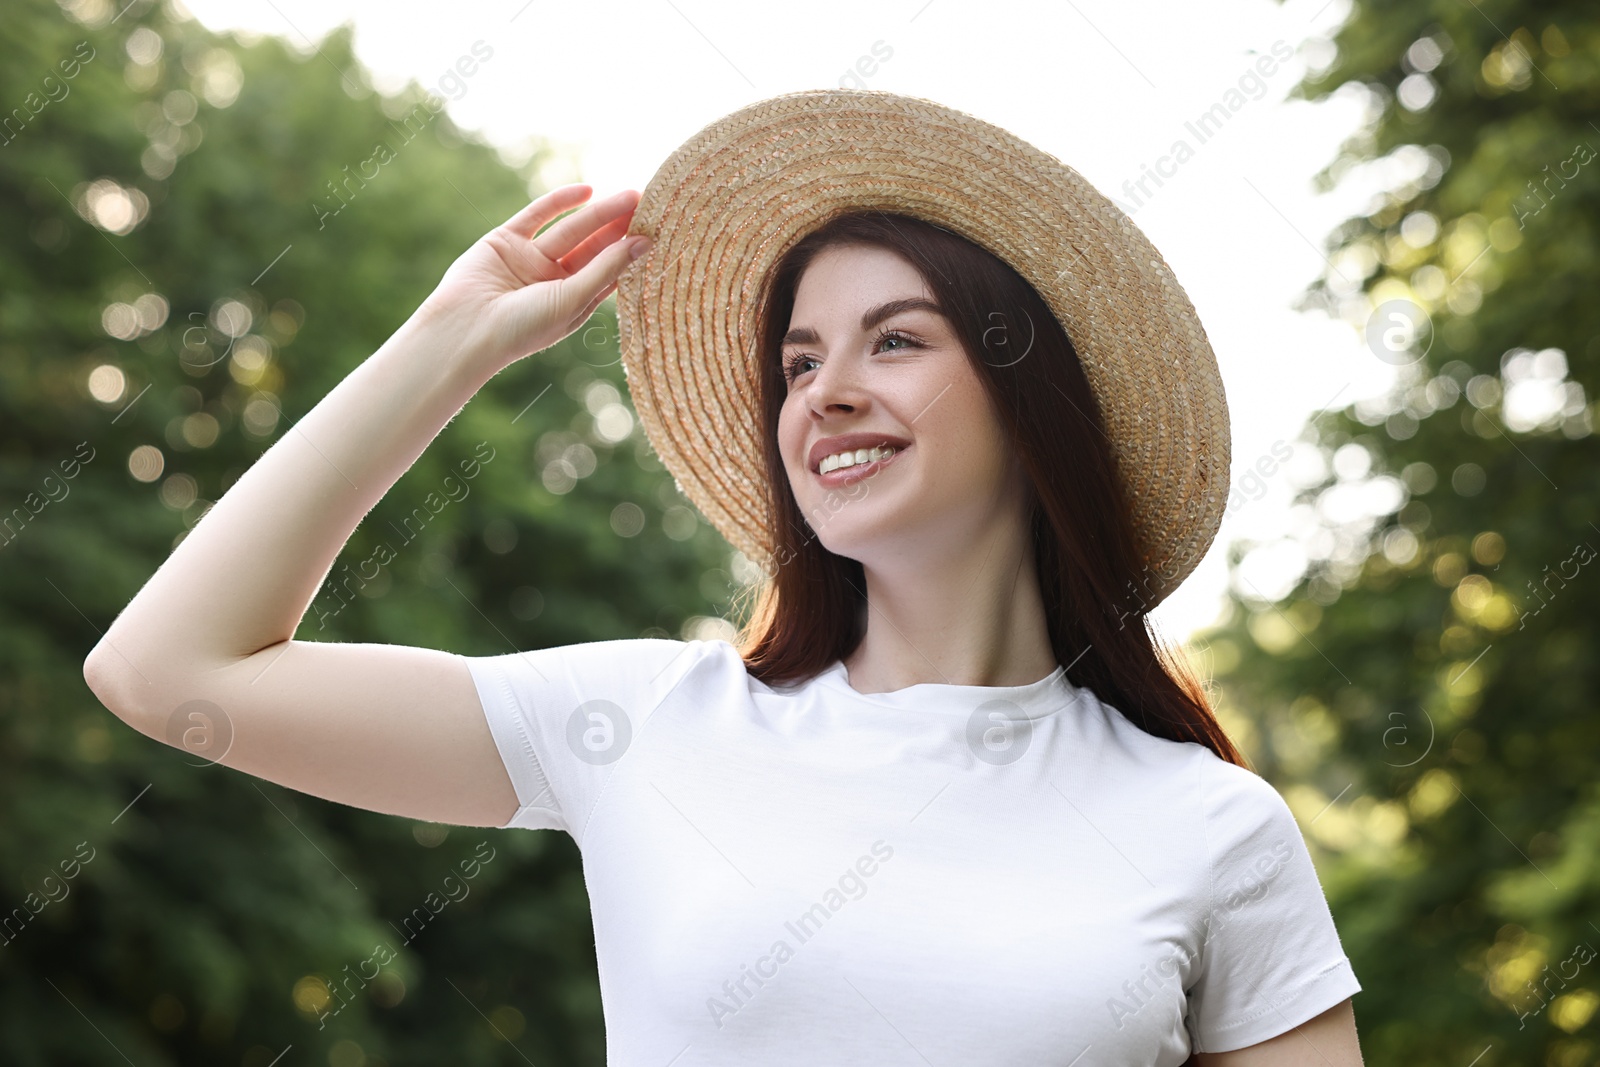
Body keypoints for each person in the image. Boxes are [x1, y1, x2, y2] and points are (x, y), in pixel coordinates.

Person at [85, 89, 1364, 1065]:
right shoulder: (644, 723)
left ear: (1030, 402)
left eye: (896, 340)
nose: (827, 391)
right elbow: (169, 670)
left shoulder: (1210, 826)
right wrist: (445, 348)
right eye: (797, 363)